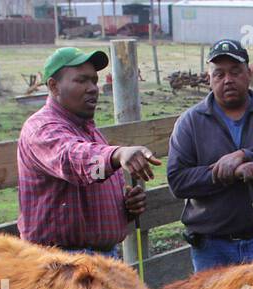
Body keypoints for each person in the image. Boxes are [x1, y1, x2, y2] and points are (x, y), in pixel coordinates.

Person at [167, 39, 253, 271]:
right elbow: (178, 181)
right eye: (219, 74)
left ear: (249, 73)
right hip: (211, 247)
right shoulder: (190, 122)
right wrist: (227, 173)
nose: (227, 80)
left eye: (235, 71)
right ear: (208, 78)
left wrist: (250, 157)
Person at [17, 47, 160, 256]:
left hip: (101, 257)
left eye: (94, 80)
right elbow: (71, 161)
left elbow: (90, 177)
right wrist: (117, 154)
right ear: (54, 86)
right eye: (81, 80)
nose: (93, 88)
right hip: (62, 263)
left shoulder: (87, 130)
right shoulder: (42, 129)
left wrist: (124, 207)